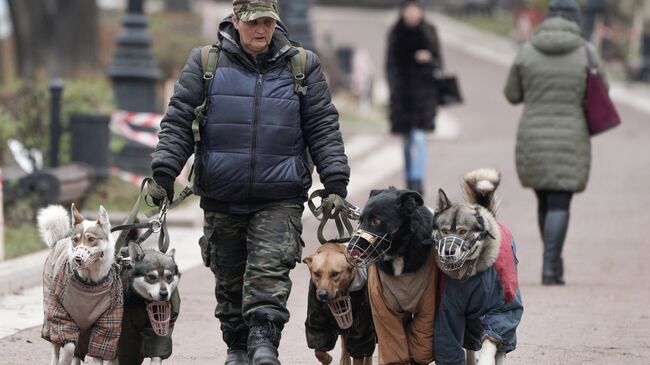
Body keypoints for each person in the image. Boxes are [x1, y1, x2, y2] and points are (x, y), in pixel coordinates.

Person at [149, 0, 350, 364]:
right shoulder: (205, 63)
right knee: (228, 283)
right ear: (236, 19)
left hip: (280, 195)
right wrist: (163, 173)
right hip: (221, 194)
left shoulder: (302, 66)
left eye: (268, 23)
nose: (261, 30)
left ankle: (264, 346)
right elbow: (178, 122)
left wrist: (334, 181)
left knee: (269, 275)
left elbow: (322, 127)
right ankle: (238, 348)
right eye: (254, 21)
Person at [504, 0, 607, 285]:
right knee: (561, 201)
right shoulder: (586, 52)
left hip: (533, 134)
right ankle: (552, 267)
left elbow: (512, 93)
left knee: (544, 198)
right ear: (575, 20)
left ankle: (552, 264)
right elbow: (602, 91)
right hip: (572, 134)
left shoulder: (527, 51)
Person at [386, 0, 443, 196]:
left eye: (416, 9)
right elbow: (390, 65)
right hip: (402, 95)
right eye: (409, 9)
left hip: (424, 94)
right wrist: (394, 87)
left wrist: (430, 58)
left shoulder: (429, 31)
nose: (412, 13)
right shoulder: (396, 33)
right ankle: (410, 178)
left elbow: (439, 61)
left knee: (419, 138)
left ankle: (417, 181)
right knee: (406, 141)